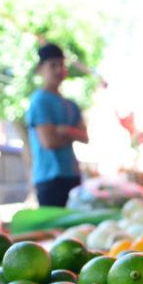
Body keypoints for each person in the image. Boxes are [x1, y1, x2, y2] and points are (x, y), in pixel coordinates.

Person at [25, 43, 88, 207]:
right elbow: (49, 142)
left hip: (73, 175)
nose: (58, 70)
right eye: (52, 65)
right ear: (40, 69)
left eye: (61, 65)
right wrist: (71, 134)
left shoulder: (71, 104)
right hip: (49, 179)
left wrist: (64, 130)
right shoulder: (40, 100)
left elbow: (85, 137)